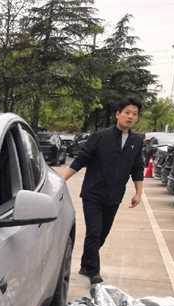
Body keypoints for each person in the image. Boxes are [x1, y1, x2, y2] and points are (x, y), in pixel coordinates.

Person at [63, 98, 144, 285]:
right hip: (93, 193)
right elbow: (81, 159)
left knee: (102, 235)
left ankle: (86, 265)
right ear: (118, 114)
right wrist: (62, 180)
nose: (130, 117)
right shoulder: (100, 136)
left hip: (114, 196)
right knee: (94, 232)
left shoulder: (137, 141)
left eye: (134, 114)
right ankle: (94, 272)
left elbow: (138, 168)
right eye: (127, 112)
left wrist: (138, 193)